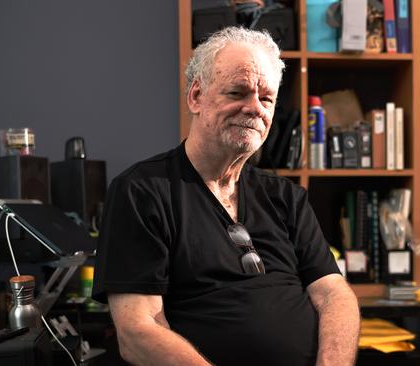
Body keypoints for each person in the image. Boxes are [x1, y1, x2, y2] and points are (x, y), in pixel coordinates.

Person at [92, 26, 360, 366]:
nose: (254, 109)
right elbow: (137, 333)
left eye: (266, 98)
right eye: (237, 92)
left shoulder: (286, 196)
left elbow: (334, 293)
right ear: (196, 97)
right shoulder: (141, 192)